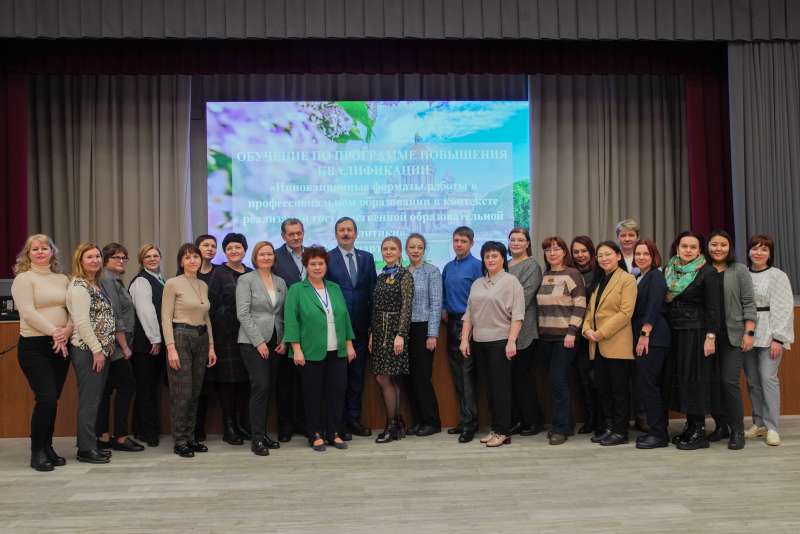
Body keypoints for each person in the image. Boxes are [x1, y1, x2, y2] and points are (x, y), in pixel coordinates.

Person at [283, 246, 356, 452]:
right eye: (312, 264)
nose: (317, 267)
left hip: (338, 350)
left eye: (320, 263)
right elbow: (292, 322)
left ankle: (333, 433)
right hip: (310, 351)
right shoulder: (297, 289)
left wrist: (349, 344)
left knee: (337, 393)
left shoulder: (334, 287)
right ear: (306, 266)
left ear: (326, 266)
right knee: (313, 395)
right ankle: (314, 434)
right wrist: (296, 349)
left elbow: (344, 317)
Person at [11, 234, 73, 471]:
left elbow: (72, 309)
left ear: (52, 252)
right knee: (45, 397)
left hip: (60, 346)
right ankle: (37, 452)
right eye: (34, 249)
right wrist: (55, 332)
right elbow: (27, 313)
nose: (39, 252)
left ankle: (48, 447)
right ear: (28, 254)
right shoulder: (24, 279)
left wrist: (66, 331)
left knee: (52, 401)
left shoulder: (62, 279)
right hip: (34, 347)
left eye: (44, 248)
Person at [460, 241, 525, 448]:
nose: (490, 259)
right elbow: (469, 314)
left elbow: (518, 314)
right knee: (488, 388)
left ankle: (503, 431)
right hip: (479, 342)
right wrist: (464, 339)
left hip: (501, 342)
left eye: (495, 256)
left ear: (502, 258)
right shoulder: (478, 283)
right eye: (487, 256)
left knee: (501, 389)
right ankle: (496, 429)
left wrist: (512, 340)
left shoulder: (511, 281)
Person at [664, 231, 720, 451]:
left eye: (693, 247)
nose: (688, 250)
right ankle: (690, 426)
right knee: (682, 380)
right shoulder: (670, 270)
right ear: (677, 248)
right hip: (675, 332)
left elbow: (713, 308)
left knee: (695, 379)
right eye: (684, 246)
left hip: (696, 332)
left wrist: (710, 336)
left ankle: (699, 432)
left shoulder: (707, 272)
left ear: (699, 250)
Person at [162, 243, 217, 458]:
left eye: (196, 256)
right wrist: (171, 348)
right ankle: (180, 440)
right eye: (188, 257)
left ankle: (191, 437)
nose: (193, 260)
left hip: (202, 338)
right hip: (181, 336)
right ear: (181, 262)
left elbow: (207, 317)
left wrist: (211, 345)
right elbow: (165, 317)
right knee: (182, 393)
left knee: (195, 392)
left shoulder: (203, 285)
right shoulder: (173, 283)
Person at [326, 217, 377, 439]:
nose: (345, 233)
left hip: (361, 329)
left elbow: (373, 293)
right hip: (335, 330)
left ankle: (354, 420)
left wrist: (373, 328)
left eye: (349, 230)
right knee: (338, 380)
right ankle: (337, 423)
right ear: (336, 234)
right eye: (341, 230)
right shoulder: (327, 258)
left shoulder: (367, 258)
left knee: (357, 379)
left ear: (356, 234)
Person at [582, 241, 637, 446]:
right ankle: (609, 427)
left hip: (616, 343)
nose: (604, 258)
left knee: (619, 391)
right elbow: (590, 311)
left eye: (608, 254)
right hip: (596, 344)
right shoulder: (599, 280)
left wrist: (601, 333)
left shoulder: (627, 279)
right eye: (600, 255)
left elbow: (625, 312)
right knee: (603, 389)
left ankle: (620, 431)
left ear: (618, 256)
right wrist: (587, 329)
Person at [705, 230, 756, 450]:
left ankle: (737, 430)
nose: (718, 249)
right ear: (707, 247)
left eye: (723, 245)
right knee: (712, 384)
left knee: (729, 382)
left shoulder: (739, 270)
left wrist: (749, 332)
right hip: (707, 337)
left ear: (730, 247)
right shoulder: (702, 270)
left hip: (733, 336)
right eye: (714, 244)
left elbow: (749, 303)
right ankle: (721, 426)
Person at [66, 242, 116, 464]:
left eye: (97, 256)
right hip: (88, 351)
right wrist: (97, 351)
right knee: (89, 401)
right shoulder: (79, 287)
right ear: (80, 260)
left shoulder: (95, 284)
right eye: (89, 257)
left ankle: (89, 444)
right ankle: (86, 450)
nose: (95, 260)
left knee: (94, 400)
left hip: (100, 351)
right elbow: (82, 324)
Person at [236, 241, 287, 456]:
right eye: (262, 254)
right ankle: (256, 439)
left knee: (269, 390)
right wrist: (259, 342)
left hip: (276, 342)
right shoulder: (245, 279)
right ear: (255, 257)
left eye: (269, 254)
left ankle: (263, 433)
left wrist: (284, 340)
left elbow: (282, 314)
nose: (266, 257)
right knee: (261, 387)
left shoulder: (280, 281)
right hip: (252, 342)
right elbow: (243, 314)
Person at [743, 234, 795, 446]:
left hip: (770, 332)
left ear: (770, 253)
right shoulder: (743, 274)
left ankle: (772, 426)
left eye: (764, 249)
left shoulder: (778, 276)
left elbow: (784, 308)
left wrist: (778, 338)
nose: (758, 253)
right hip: (747, 333)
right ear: (748, 251)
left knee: (768, 379)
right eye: (755, 248)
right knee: (753, 381)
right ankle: (758, 423)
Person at [536, 236, 586, 445]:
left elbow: (580, 305)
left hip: (564, 338)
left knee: (558, 381)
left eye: (557, 249)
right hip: (546, 338)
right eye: (548, 250)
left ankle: (561, 428)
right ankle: (567, 423)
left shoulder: (572, 274)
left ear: (564, 252)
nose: (552, 253)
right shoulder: (545, 275)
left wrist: (572, 332)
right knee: (557, 382)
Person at [95, 243, 143, 453]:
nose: (121, 261)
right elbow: (114, 316)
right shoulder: (107, 279)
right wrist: (124, 346)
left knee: (106, 391)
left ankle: (103, 436)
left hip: (113, 345)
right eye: (116, 257)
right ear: (105, 260)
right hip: (115, 346)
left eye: (124, 258)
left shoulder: (115, 281)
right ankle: (120, 437)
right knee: (126, 387)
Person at [207, 232, 252, 445]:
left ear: (245, 250)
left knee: (245, 383)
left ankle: (243, 425)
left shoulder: (251, 273)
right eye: (230, 248)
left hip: (249, 336)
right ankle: (229, 427)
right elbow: (211, 306)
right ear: (225, 252)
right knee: (228, 384)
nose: (234, 251)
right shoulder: (219, 274)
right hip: (225, 337)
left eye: (238, 247)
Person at [369, 236, 414, 443]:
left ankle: (391, 425)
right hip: (379, 333)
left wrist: (401, 335)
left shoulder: (405, 276)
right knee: (386, 377)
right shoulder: (380, 276)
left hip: (395, 332)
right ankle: (397, 423)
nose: (388, 252)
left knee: (385, 377)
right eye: (385, 249)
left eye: (392, 249)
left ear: (399, 252)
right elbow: (375, 307)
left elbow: (406, 307)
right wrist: (371, 334)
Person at [441, 226, 483, 443]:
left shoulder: (477, 267)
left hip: (470, 325)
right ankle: (464, 418)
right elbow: (445, 297)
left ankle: (470, 424)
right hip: (451, 325)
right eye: (456, 240)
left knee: (467, 376)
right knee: (457, 375)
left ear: (471, 243)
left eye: (463, 241)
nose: (458, 244)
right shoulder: (447, 267)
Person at [631, 240, 671, 449]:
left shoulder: (656, 275)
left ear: (653, 255)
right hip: (645, 335)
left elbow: (655, 305)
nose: (641, 257)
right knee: (650, 385)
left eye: (646, 253)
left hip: (653, 337)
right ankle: (659, 430)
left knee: (649, 385)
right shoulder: (639, 277)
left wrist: (645, 333)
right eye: (638, 253)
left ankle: (658, 434)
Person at [272, 218, 307, 442]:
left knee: (306, 379)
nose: (295, 237)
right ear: (283, 236)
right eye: (290, 234)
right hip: (285, 325)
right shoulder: (274, 257)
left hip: (310, 328)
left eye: (298, 233)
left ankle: (304, 423)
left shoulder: (313, 255)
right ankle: (285, 425)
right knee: (285, 381)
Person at [507, 227, 544, 435]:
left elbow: (525, 297)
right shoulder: (505, 265)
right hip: (505, 331)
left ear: (528, 243)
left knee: (523, 378)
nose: (516, 243)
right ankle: (518, 420)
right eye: (513, 239)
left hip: (525, 331)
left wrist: (500, 307)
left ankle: (533, 421)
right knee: (511, 380)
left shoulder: (532, 266)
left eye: (521, 240)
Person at [404, 233, 443, 436]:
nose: (415, 250)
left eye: (419, 247)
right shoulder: (402, 272)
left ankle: (432, 422)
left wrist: (432, 335)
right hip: (404, 331)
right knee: (409, 378)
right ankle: (418, 421)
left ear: (424, 249)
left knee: (422, 377)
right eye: (412, 247)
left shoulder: (432, 272)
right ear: (406, 249)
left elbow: (436, 304)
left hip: (423, 329)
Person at [128, 244, 166, 447]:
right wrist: (155, 339)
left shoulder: (160, 278)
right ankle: (147, 434)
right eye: (147, 256)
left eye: (155, 255)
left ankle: (143, 430)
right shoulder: (142, 281)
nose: (152, 259)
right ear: (141, 260)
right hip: (147, 345)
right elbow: (145, 312)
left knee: (150, 388)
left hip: (154, 342)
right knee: (146, 389)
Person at [571, 236, 603, 435]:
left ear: (591, 253)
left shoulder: (598, 273)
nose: (580, 255)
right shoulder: (571, 273)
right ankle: (591, 419)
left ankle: (602, 420)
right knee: (583, 379)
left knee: (597, 379)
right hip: (577, 334)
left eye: (584, 251)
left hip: (597, 333)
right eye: (576, 252)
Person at [194, 233, 218, 440]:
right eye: (205, 245)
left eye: (213, 245)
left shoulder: (219, 272)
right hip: (195, 332)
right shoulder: (189, 273)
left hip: (217, 332)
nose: (209, 249)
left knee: (209, 383)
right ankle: (194, 428)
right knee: (196, 383)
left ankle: (204, 427)